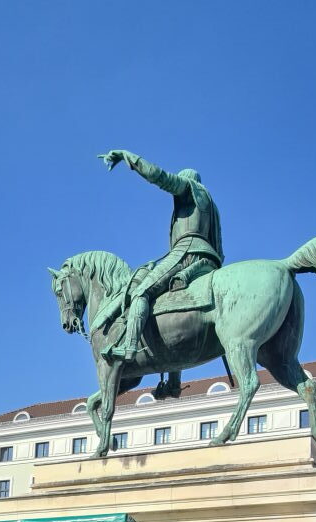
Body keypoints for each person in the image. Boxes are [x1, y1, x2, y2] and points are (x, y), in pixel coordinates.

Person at [96, 149, 223, 374]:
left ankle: (130, 346)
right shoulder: (211, 208)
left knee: (140, 292)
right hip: (207, 258)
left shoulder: (191, 190)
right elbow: (219, 248)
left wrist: (129, 157)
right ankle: (173, 381)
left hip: (187, 252)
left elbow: (160, 177)